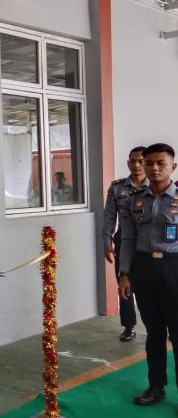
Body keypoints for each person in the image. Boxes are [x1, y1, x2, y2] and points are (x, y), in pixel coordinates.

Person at [118, 142, 178, 406]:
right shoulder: (135, 199)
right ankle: (156, 386)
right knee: (154, 332)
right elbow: (128, 238)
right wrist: (124, 273)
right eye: (149, 162)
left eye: (160, 163)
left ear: (172, 166)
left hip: (174, 267)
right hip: (144, 270)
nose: (154, 168)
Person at [102, 146, 147, 342]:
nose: (136, 165)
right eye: (133, 161)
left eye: (141, 161)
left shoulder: (156, 186)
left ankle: (167, 324)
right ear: (128, 163)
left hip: (149, 241)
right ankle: (129, 326)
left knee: (156, 284)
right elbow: (109, 217)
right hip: (123, 240)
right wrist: (107, 241)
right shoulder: (117, 187)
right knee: (124, 282)